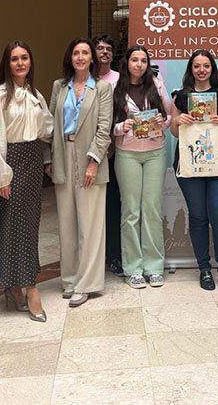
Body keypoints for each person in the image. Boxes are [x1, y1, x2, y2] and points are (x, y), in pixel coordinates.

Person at [0, 41, 54, 321]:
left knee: (29, 225)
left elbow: (48, 128)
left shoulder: (35, 94)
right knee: (13, 226)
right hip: (12, 162)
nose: (20, 63)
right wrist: (2, 175)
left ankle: (12, 285)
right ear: (7, 63)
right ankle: (30, 286)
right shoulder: (0, 95)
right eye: (14, 59)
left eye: (24, 58)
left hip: (33, 160)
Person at [48, 38, 113, 307]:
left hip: (90, 158)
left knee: (90, 224)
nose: (81, 57)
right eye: (76, 52)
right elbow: (50, 124)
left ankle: (87, 283)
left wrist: (94, 161)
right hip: (63, 154)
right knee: (67, 222)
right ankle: (70, 279)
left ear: (92, 58)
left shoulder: (102, 88)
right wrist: (48, 159)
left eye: (86, 52)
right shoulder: (58, 87)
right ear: (70, 57)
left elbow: (104, 127)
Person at [171, 49, 218, 293]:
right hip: (190, 163)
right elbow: (174, 132)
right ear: (191, 70)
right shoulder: (181, 97)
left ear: (212, 69)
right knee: (198, 217)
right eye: (197, 66)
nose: (202, 70)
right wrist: (177, 122)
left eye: (206, 66)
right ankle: (203, 268)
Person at [112, 45, 172, 288]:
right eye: (134, 60)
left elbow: (170, 116)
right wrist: (121, 127)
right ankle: (133, 267)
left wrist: (162, 121)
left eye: (143, 60)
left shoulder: (156, 84)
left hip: (155, 152)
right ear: (127, 62)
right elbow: (106, 124)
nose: (139, 64)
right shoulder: (115, 86)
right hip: (127, 154)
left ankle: (154, 266)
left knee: (151, 209)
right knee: (131, 212)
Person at [93, 34, 123, 277]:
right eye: (99, 48)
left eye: (108, 49)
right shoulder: (84, 79)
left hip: (114, 151)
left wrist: (110, 144)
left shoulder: (119, 80)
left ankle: (114, 255)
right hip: (88, 152)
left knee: (113, 205)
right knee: (92, 207)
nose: (104, 52)